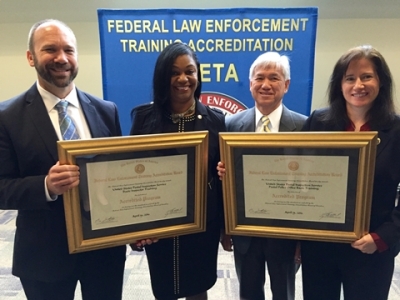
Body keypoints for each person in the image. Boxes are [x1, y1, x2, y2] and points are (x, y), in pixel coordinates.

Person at [0, 19, 126, 300]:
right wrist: (46, 185)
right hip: (44, 256)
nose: (61, 58)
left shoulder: (107, 111)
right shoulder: (6, 117)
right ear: (30, 57)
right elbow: (2, 188)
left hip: (104, 250)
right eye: (50, 50)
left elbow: (120, 174)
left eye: (69, 50)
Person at [301, 45, 400, 300]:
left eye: (367, 76)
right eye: (350, 78)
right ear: (339, 84)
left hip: (371, 247)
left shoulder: (397, 130)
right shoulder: (317, 122)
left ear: (381, 81)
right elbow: (299, 176)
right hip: (320, 247)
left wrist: (382, 237)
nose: (358, 85)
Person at [129, 42, 225, 300]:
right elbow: (130, 174)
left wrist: (227, 228)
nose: (183, 79)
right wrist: (133, 228)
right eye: (174, 72)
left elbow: (222, 181)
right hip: (159, 226)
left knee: (198, 286)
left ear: (198, 76)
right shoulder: (143, 119)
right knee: (164, 288)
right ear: (162, 76)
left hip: (203, 225)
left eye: (190, 71)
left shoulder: (217, 121)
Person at [217, 51, 306, 300]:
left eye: (274, 78)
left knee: (284, 293)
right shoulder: (231, 124)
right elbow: (224, 181)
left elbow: (310, 183)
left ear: (286, 85)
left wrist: (305, 237)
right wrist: (226, 227)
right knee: (248, 293)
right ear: (250, 83)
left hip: (286, 232)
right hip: (245, 231)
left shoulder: (304, 127)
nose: (265, 84)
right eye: (259, 78)